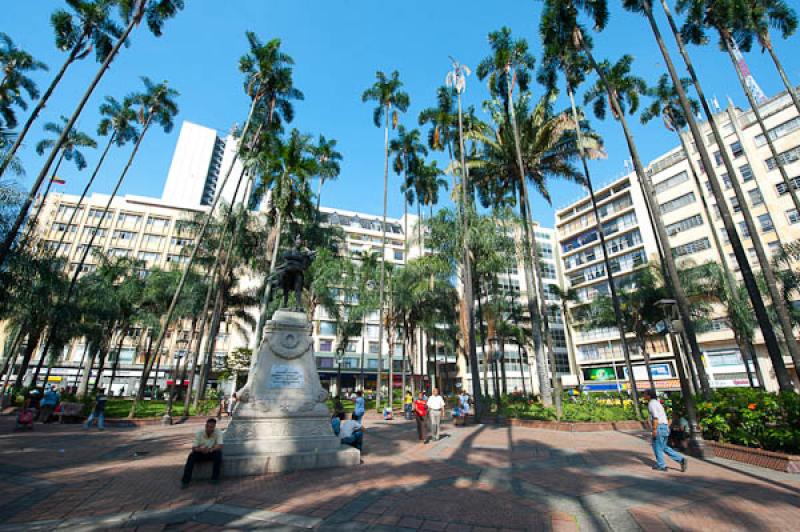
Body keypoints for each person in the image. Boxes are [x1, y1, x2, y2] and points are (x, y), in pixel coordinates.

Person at [643, 389, 687, 472]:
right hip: (664, 427)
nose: (643, 396)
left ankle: (661, 465)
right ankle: (681, 459)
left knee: (657, 447)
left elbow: (656, 418)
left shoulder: (652, 404)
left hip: (659, 427)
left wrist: (654, 430)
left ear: (649, 395)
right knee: (664, 447)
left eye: (644, 394)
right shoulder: (656, 403)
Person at [181, 418, 224, 487]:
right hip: (200, 452)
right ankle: (185, 481)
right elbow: (194, 447)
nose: (210, 429)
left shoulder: (218, 432)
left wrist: (211, 449)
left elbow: (220, 445)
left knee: (218, 454)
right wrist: (201, 450)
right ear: (205, 426)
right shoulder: (199, 433)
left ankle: (215, 478)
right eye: (208, 427)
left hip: (211, 452)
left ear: (214, 427)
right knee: (191, 456)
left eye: (212, 427)